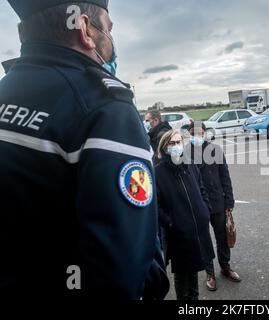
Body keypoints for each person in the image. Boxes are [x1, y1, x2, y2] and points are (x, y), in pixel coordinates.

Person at [0, 0, 168, 299]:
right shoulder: (105, 109)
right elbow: (122, 271)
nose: (112, 39)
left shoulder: (6, 91)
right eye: (109, 28)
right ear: (85, 29)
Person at [154, 130, 215, 300]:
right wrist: (171, 223)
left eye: (179, 142)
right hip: (178, 234)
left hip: (197, 229)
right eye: (172, 143)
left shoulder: (190, 165)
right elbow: (156, 206)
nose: (176, 146)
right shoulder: (158, 173)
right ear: (164, 147)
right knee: (182, 277)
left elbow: (201, 189)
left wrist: (205, 210)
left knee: (194, 272)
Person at [187, 122, 240, 292]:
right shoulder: (185, 152)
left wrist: (229, 201)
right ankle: (209, 273)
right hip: (198, 203)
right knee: (204, 239)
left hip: (218, 200)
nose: (197, 135)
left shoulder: (215, 149)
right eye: (193, 133)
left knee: (222, 237)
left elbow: (225, 175)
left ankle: (225, 267)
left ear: (204, 133)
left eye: (200, 132)